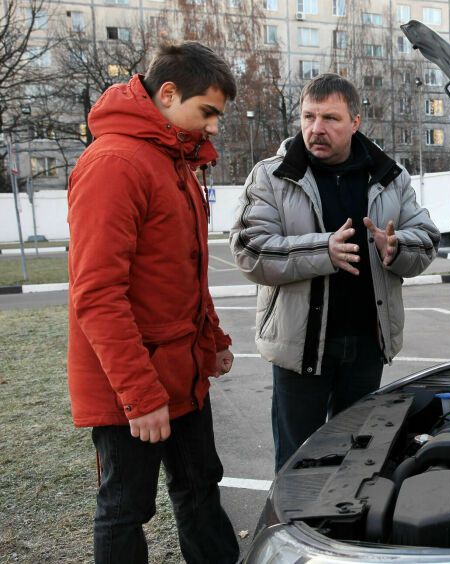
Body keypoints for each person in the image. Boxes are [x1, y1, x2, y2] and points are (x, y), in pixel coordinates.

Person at [67, 42, 240, 563]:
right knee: (125, 508)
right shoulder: (115, 164)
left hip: (182, 373)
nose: (214, 127)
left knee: (200, 486)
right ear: (168, 94)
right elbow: (97, 295)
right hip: (129, 387)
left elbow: (184, 269)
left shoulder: (174, 160)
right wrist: (141, 396)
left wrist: (212, 340)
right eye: (207, 111)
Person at [230, 73, 440, 472]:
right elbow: (249, 249)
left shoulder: (389, 176)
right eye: (308, 117)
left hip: (365, 348)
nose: (316, 129)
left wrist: (395, 249)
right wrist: (323, 250)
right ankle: (293, 532)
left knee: (358, 459)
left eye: (330, 118)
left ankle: (345, 531)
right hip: (301, 349)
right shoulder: (272, 176)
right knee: (297, 463)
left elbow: (427, 239)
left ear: (356, 122)